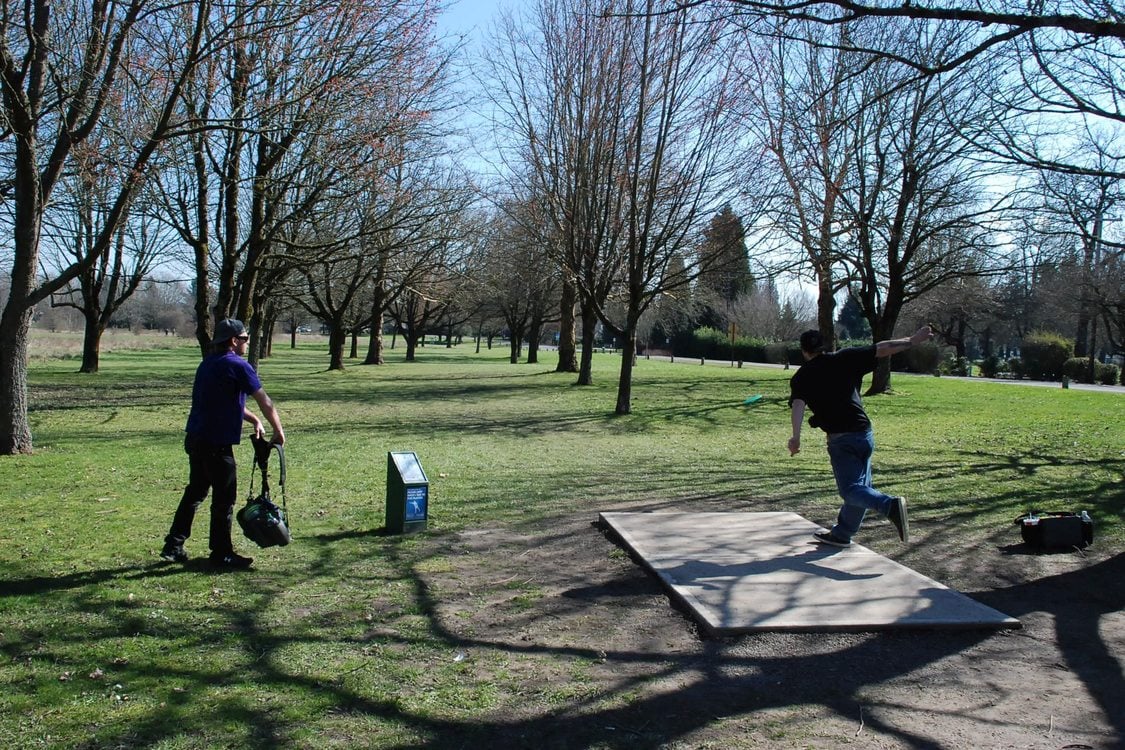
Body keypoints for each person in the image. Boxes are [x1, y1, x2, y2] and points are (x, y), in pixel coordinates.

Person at [787, 325, 933, 547]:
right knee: (861, 486)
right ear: (826, 346)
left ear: (804, 351)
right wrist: (912, 340)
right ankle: (843, 533)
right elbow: (882, 348)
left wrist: (796, 437)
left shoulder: (801, 377)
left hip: (841, 439)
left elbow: (798, 405)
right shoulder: (845, 358)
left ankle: (889, 505)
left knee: (851, 490)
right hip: (864, 433)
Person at [161, 319, 286, 569]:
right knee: (224, 499)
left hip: (196, 439)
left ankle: (173, 546)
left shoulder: (207, 364)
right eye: (245, 338)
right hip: (217, 444)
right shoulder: (238, 365)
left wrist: (252, 419)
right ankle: (222, 553)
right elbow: (265, 400)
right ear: (233, 341)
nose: (247, 342)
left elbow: (223, 402)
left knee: (195, 492)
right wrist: (279, 431)